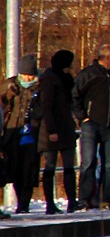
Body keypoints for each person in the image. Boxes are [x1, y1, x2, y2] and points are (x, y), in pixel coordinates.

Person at [73, 44, 110, 210]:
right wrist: (83, 117)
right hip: (91, 124)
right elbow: (75, 95)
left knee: (109, 164)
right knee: (88, 162)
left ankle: (105, 197)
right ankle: (85, 198)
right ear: (107, 57)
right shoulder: (89, 74)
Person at [38, 50, 78, 214]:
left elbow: (70, 98)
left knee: (69, 165)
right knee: (50, 166)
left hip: (66, 127)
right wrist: (52, 130)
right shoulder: (49, 79)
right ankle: (50, 204)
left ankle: (72, 201)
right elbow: (46, 106)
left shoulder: (66, 78)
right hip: (52, 129)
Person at [1, 54, 41, 214]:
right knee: (12, 168)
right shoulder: (9, 84)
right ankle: (19, 202)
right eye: (24, 74)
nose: (27, 78)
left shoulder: (40, 87)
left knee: (28, 169)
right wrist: (9, 94)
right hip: (12, 133)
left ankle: (24, 204)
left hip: (31, 134)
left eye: (30, 75)